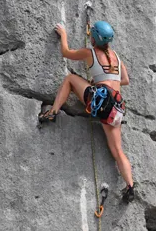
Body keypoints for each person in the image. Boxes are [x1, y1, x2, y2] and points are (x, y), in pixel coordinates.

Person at [39, 21, 134, 202]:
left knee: (70, 79)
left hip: (98, 100)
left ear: (94, 38)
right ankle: (130, 186)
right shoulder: (117, 57)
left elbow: (66, 53)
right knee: (117, 150)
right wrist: (109, 80)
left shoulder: (89, 52)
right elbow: (125, 80)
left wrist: (63, 34)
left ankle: (53, 111)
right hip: (115, 108)